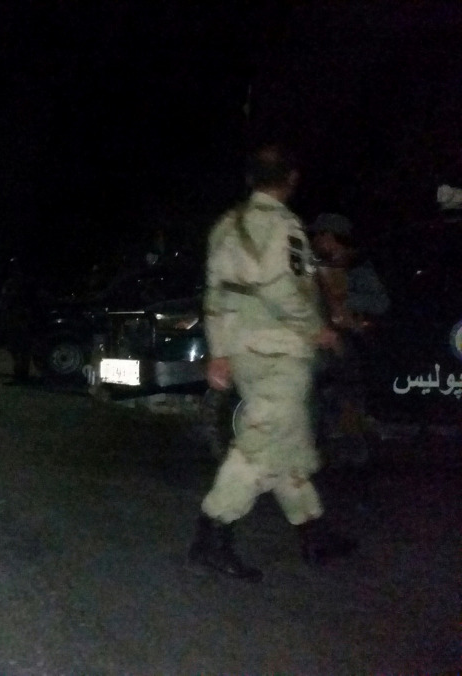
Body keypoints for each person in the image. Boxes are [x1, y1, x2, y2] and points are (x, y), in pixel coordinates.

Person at [190, 145, 356, 582]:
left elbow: (216, 294)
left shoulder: (227, 226)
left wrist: (220, 350)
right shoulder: (285, 227)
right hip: (279, 351)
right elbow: (288, 289)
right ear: (292, 179)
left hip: (244, 349)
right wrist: (316, 327)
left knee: (286, 439)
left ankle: (312, 530)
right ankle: (212, 533)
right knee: (261, 443)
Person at [307, 213, 389, 465]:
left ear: (329, 237)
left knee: (345, 397)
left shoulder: (357, 269)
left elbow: (380, 303)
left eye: (318, 236)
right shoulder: (312, 267)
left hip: (348, 346)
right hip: (318, 343)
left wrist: (343, 301)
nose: (314, 242)